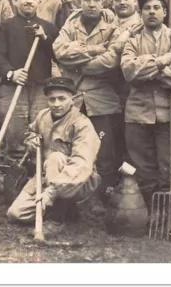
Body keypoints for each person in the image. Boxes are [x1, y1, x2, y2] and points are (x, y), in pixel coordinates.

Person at [120, 0, 171, 216]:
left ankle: (170, 214)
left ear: (164, 12)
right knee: (142, 167)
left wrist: (152, 73)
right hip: (138, 113)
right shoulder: (132, 41)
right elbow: (129, 71)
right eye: (146, 8)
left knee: (170, 166)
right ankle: (148, 212)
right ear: (140, 13)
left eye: (156, 8)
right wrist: (162, 61)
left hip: (170, 112)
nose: (151, 12)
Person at [53, 0, 125, 214]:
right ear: (80, 2)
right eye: (87, 0)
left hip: (102, 100)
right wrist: (93, 49)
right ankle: (70, 197)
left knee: (104, 152)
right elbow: (59, 51)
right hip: (75, 100)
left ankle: (99, 197)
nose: (91, 4)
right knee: (72, 149)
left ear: (103, 2)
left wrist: (78, 65)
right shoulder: (70, 26)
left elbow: (112, 60)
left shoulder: (113, 28)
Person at [6, 76, 101, 233]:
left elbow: (81, 164)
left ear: (72, 98)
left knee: (55, 158)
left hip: (79, 180)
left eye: (62, 99)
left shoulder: (82, 124)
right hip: (46, 177)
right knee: (16, 214)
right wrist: (30, 141)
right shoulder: (43, 116)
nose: (56, 104)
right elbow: (31, 132)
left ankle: (56, 219)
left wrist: (52, 192)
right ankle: (67, 209)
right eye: (52, 99)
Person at [0, 0, 59, 167]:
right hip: (13, 88)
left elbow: (58, 56)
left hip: (41, 89)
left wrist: (45, 39)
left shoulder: (50, 28)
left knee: (40, 134)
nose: (29, 0)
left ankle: (37, 181)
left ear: (39, 0)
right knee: (15, 135)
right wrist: (11, 73)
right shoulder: (3, 27)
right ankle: (15, 180)